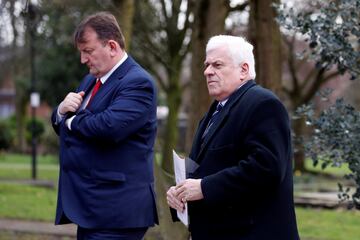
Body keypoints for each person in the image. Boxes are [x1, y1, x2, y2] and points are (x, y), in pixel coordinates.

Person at [166, 35, 300, 240]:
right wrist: (180, 194)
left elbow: (267, 168)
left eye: (217, 65)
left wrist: (203, 187)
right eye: (207, 65)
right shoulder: (213, 113)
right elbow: (205, 171)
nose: (208, 71)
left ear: (243, 70)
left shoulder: (263, 104)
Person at [51, 12, 158, 239]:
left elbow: (109, 127)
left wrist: (71, 120)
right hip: (93, 209)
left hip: (118, 212)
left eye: (88, 51)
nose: (83, 60)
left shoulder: (138, 82)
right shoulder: (92, 79)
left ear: (111, 46)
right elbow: (71, 123)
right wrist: (61, 112)